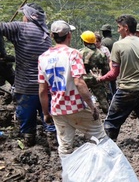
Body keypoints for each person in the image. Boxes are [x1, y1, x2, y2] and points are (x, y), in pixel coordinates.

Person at [38, 20, 106, 158]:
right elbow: (79, 82)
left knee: (65, 147)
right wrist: (92, 106)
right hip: (77, 106)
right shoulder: (73, 54)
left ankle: (69, 176)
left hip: (58, 109)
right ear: (69, 35)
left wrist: (46, 113)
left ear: (52, 36)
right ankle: (106, 170)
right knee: (100, 138)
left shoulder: (43, 58)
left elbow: (42, 90)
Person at [0, 2, 55, 146]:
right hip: (46, 86)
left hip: (25, 87)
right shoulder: (46, 34)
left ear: (29, 16)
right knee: (48, 118)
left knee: (26, 119)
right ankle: (53, 142)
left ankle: (28, 141)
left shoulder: (20, 28)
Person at [95, 14, 139, 141]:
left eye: (119, 27)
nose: (118, 30)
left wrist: (100, 78)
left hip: (125, 90)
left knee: (111, 124)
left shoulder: (118, 45)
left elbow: (114, 74)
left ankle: (107, 151)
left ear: (126, 28)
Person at [79, 30, 110, 113]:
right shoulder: (101, 54)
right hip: (96, 79)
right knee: (102, 99)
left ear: (84, 41)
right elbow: (106, 69)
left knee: (80, 98)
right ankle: (108, 114)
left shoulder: (79, 53)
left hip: (83, 80)